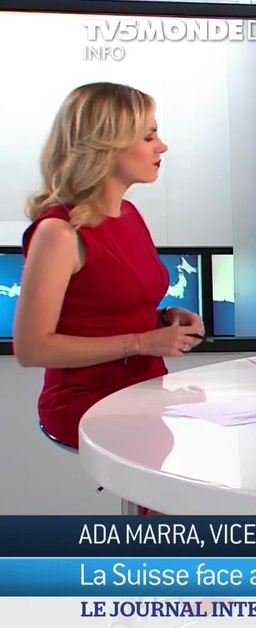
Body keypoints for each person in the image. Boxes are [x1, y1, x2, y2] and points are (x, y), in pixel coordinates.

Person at [13, 82, 205, 451]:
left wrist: (164, 320)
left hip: (144, 391)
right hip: (89, 403)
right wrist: (143, 342)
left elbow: (104, 309)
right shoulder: (59, 233)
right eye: (148, 136)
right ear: (107, 146)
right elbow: (32, 348)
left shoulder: (128, 214)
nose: (162, 147)